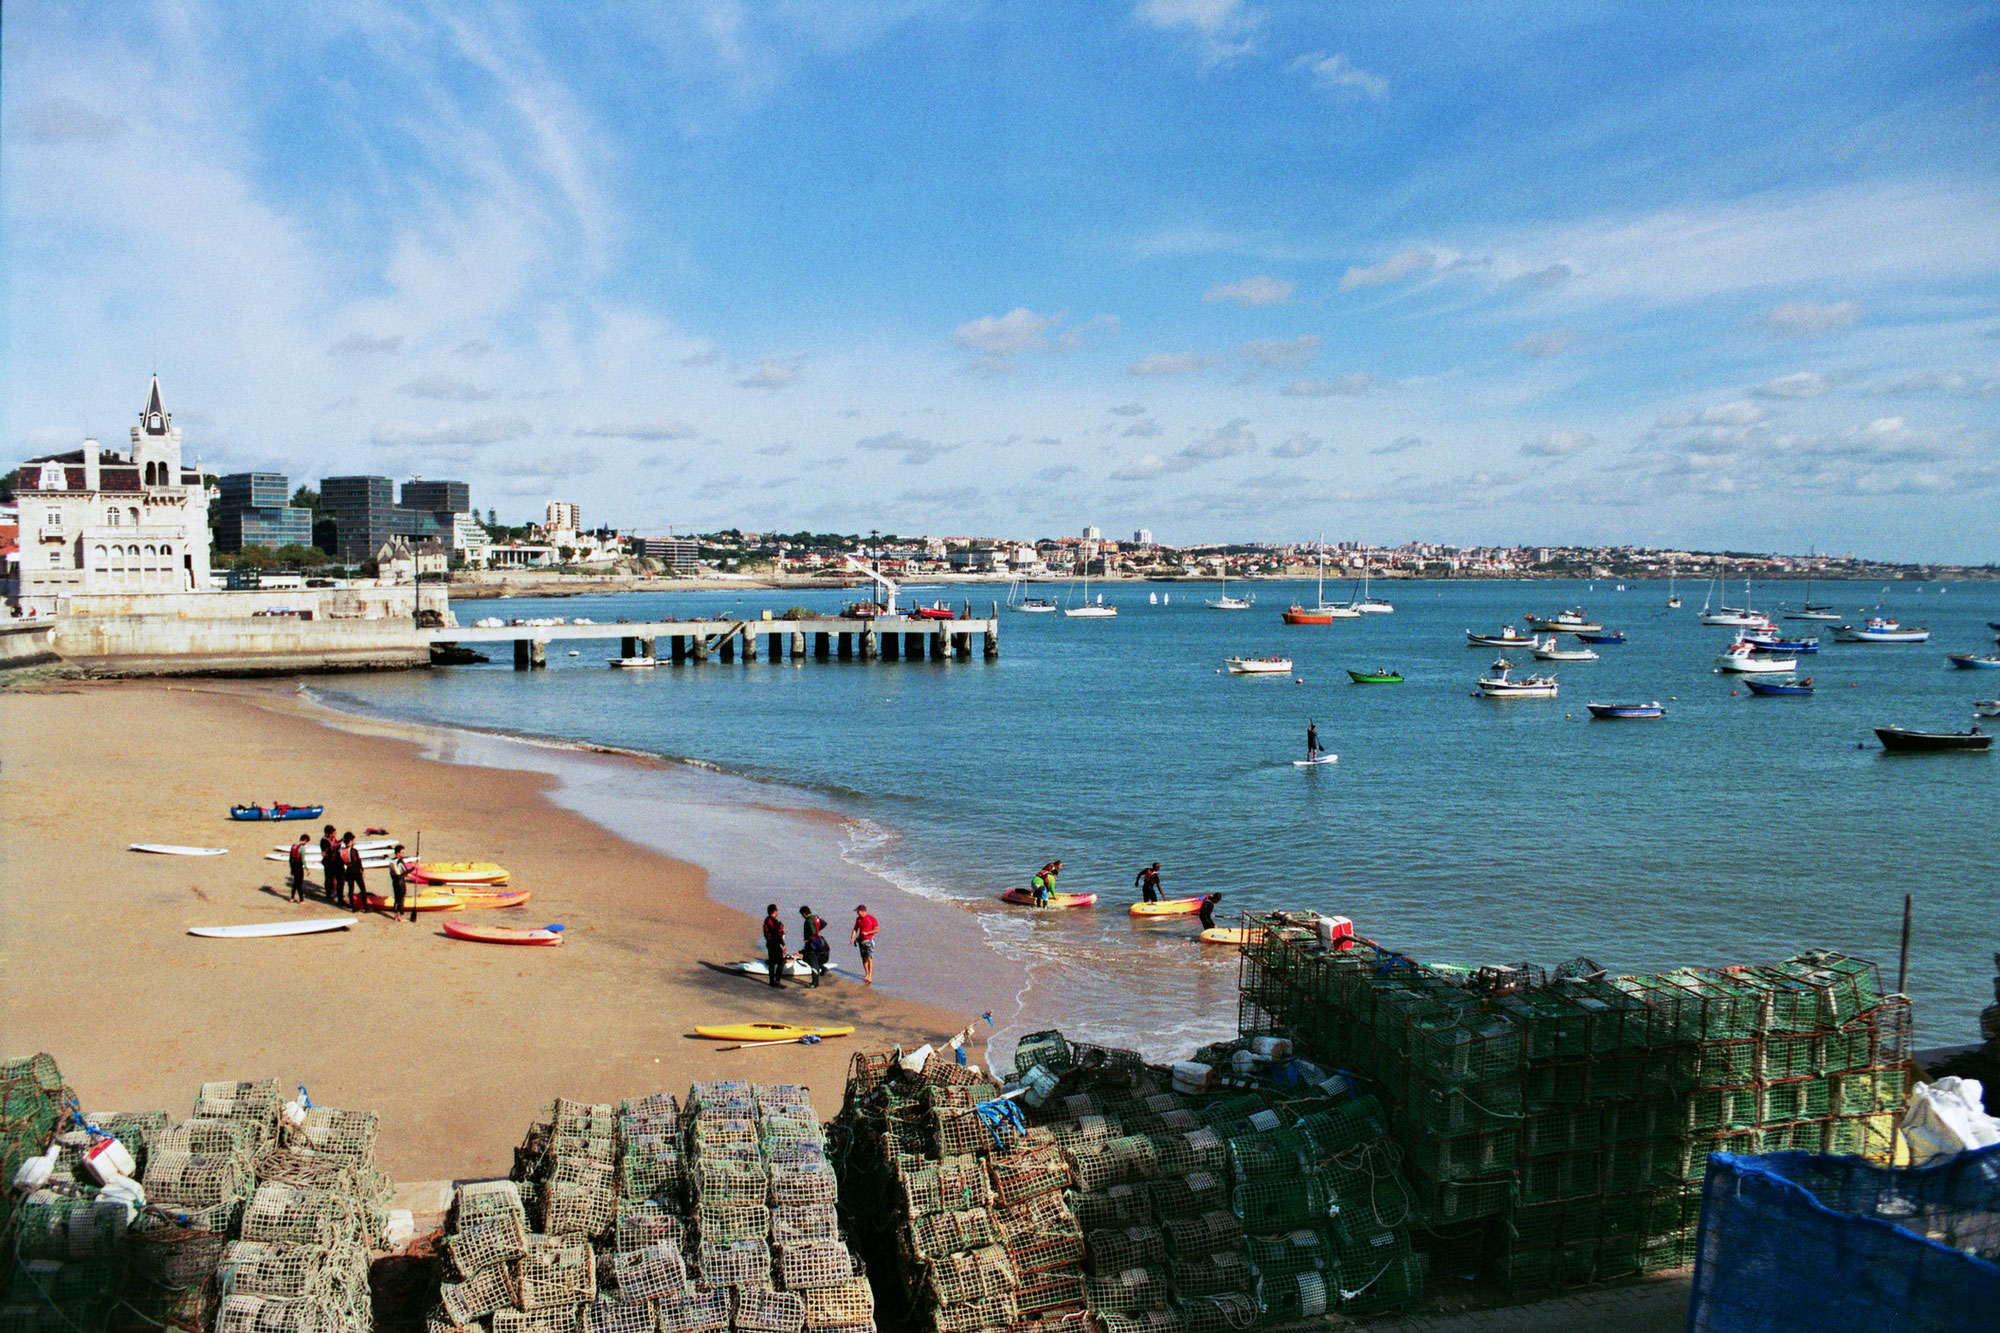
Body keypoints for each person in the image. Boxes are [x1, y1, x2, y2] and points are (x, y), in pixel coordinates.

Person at [798, 906, 831, 988]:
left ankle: (815, 983)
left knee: (812, 961)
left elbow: (811, 933)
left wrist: (809, 937)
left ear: (804, 914)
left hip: (812, 943)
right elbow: (824, 923)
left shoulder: (808, 921)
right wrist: (817, 932)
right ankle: (822, 969)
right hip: (819, 941)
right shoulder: (816, 917)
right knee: (814, 957)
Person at [851, 905, 880, 986]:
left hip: (869, 940)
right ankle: (867, 973)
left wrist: (867, 933)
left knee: (870, 958)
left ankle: (870, 975)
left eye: (858, 911)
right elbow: (855, 929)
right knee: (864, 958)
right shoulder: (858, 919)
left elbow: (877, 929)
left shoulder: (871, 918)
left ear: (863, 911)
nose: (857, 913)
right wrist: (852, 937)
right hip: (861, 941)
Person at [762, 904, 787, 988]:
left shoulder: (766, 920)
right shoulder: (773, 921)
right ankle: (777, 981)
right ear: (775, 911)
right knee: (781, 962)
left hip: (769, 942)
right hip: (774, 943)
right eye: (777, 911)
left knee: (772, 962)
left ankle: (772, 981)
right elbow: (776, 933)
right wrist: (783, 944)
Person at [389, 844, 415, 922]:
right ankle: (401, 917)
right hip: (400, 882)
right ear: (398, 853)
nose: (403, 854)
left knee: (397, 898)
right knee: (401, 899)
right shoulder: (399, 861)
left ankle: (396, 915)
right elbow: (405, 871)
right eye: (402, 852)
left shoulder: (391, 861)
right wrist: (414, 868)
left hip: (394, 881)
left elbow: (391, 873)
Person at [342, 832, 367, 911]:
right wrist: (362, 870)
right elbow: (358, 861)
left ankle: (353, 907)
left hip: (348, 870)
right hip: (355, 870)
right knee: (362, 888)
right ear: (351, 840)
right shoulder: (353, 851)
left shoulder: (342, 852)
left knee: (351, 889)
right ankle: (366, 908)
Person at [318, 825, 340, 906]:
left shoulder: (333, 839)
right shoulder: (324, 841)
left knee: (334, 877)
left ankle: (334, 892)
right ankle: (328, 893)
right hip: (328, 861)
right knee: (328, 877)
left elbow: (336, 844)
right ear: (329, 834)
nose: (335, 834)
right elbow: (323, 853)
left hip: (334, 861)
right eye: (334, 833)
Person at [287, 835, 309, 903]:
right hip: (299, 866)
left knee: (295, 882)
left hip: (293, 865)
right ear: (305, 840)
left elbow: (290, 859)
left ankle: (292, 897)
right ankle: (301, 899)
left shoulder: (293, 846)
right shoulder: (301, 848)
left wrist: (291, 868)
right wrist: (306, 869)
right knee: (299, 883)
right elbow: (303, 859)